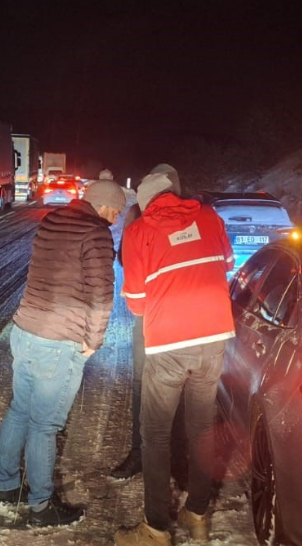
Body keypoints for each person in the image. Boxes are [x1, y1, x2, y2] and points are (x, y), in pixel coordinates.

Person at [0, 178, 127, 527]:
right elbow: (100, 294)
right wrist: (93, 341)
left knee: (20, 410)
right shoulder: (96, 232)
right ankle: (41, 506)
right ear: (106, 206)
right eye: (116, 211)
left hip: (26, 329)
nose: (115, 219)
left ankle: (3, 487)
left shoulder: (51, 220)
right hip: (59, 338)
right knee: (44, 425)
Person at [114, 170, 234, 546]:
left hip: (168, 343)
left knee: (156, 434)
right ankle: (197, 513)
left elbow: (135, 303)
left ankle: (155, 529)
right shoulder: (210, 217)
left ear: (145, 202)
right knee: (201, 428)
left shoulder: (139, 232)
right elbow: (227, 264)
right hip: (215, 335)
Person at [109, 163, 181, 480]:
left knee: (143, 384)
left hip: (150, 313)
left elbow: (124, 259)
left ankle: (142, 453)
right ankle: (177, 460)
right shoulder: (197, 213)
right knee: (181, 386)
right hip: (183, 316)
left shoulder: (138, 216)